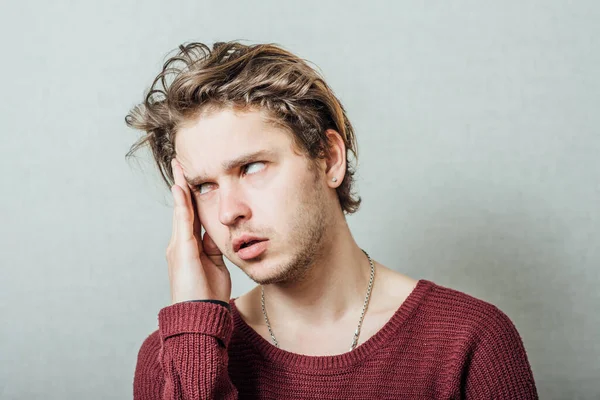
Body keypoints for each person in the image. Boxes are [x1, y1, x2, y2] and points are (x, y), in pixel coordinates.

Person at [125, 41, 538, 399]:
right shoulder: (172, 357)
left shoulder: (471, 341)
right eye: (204, 187)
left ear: (330, 159)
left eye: (251, 168)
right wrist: (196, 324)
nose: (228, 212)